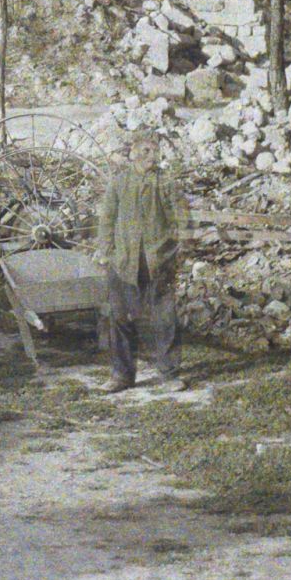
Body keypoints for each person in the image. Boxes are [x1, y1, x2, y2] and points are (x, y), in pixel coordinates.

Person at [93, 134, 187, 394]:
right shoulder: (120, 182)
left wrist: (175, 251)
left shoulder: (166, 182)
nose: (151, 156)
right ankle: (121, 375)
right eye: (145, 151)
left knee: (165, 318)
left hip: (158, 263)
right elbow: (107, 220)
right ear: (133, 154)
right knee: (120, 317)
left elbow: (182, 219)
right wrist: (109, 252)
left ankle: (169, 374)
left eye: (155, 152)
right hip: (123, 262)